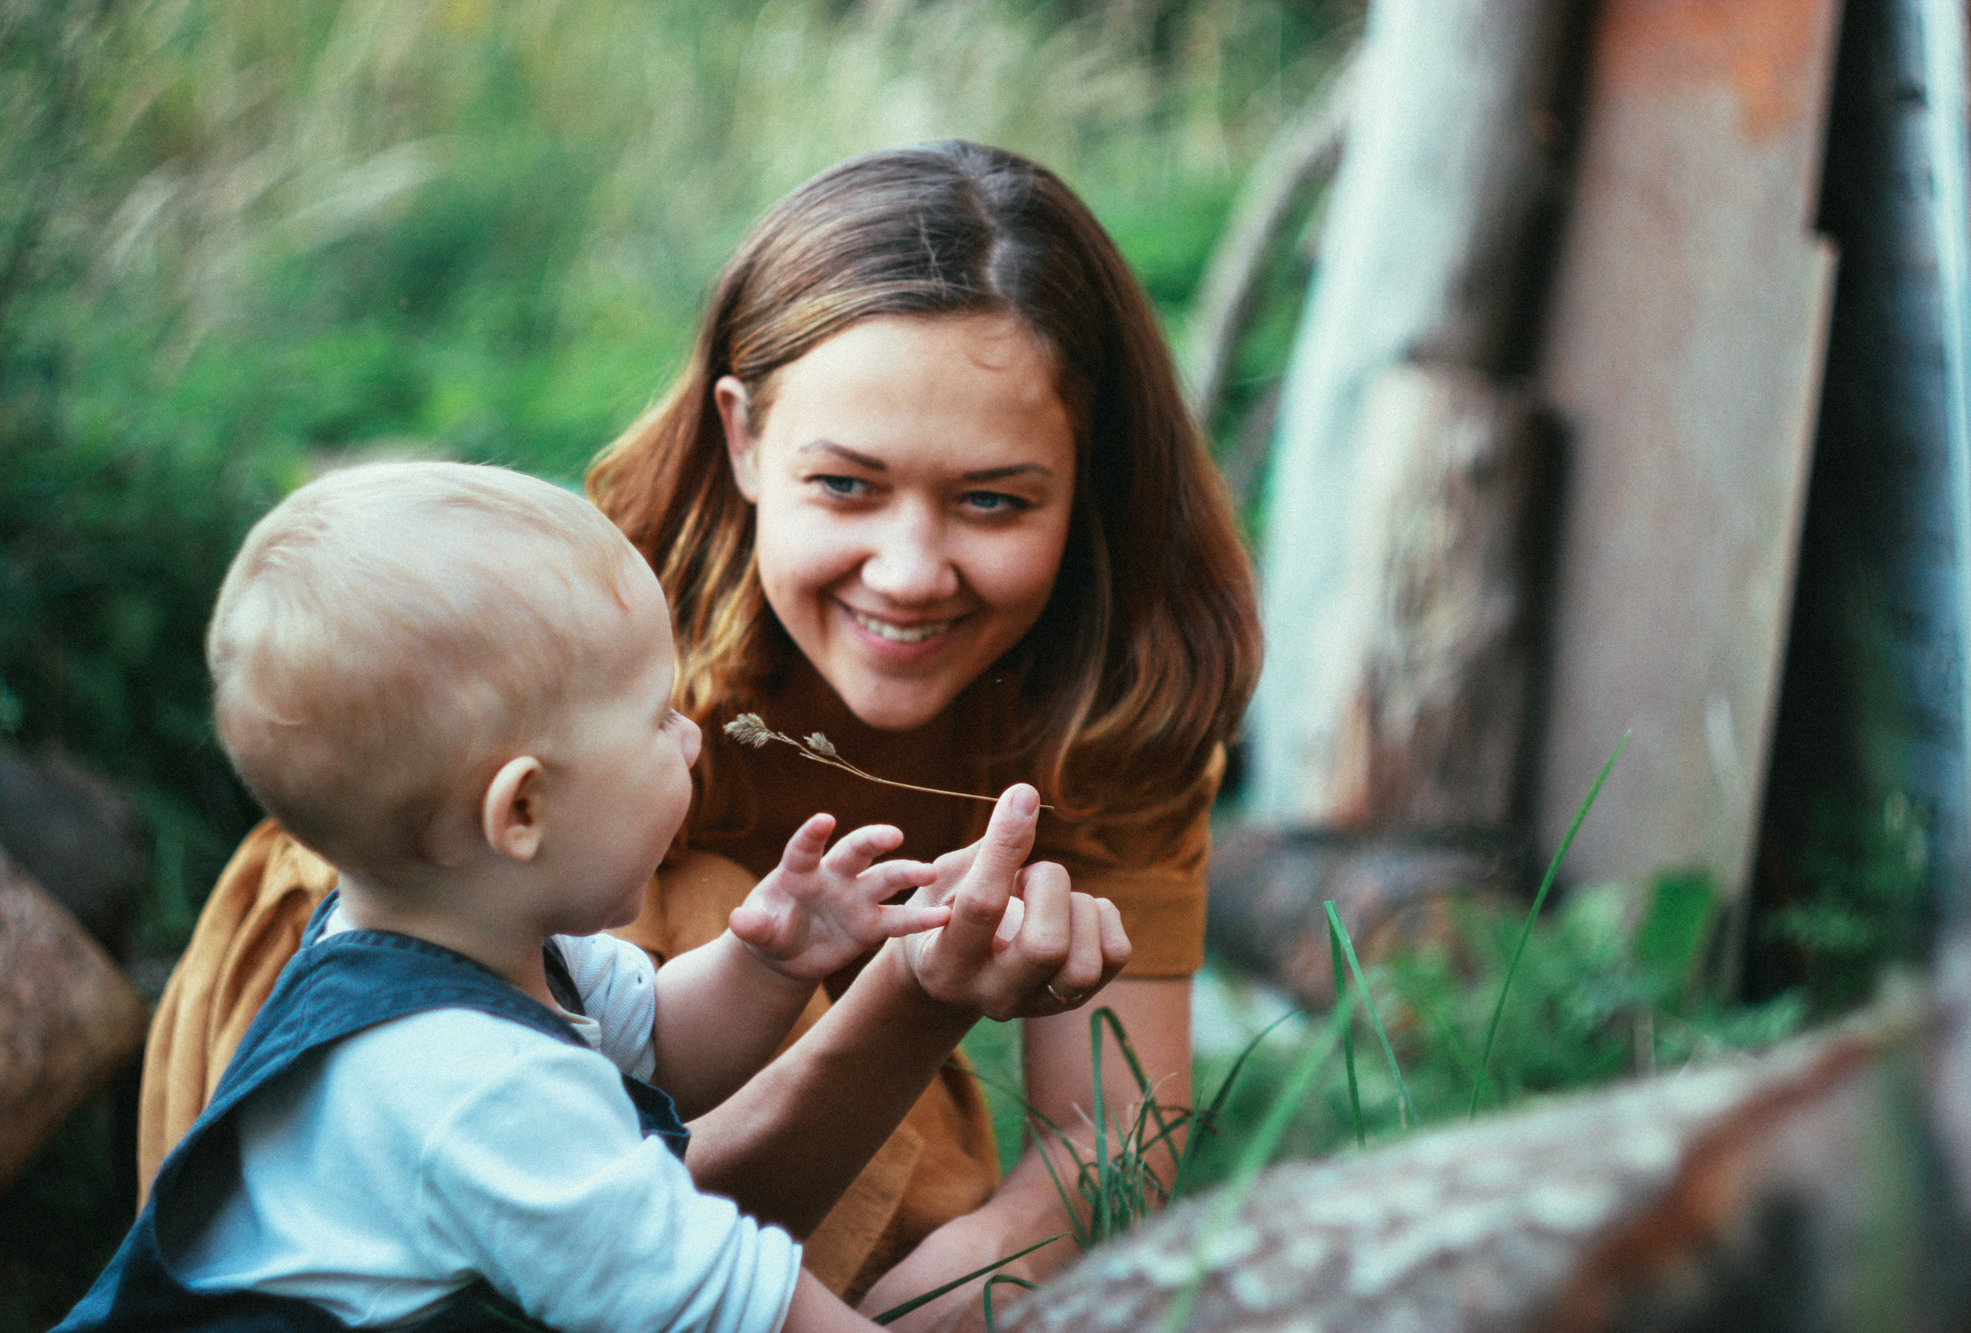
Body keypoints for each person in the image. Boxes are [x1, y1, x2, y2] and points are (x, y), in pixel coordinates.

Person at [140, 140, 1260, 1331]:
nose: (909, 570)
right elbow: (606, 1225)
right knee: (718, 898)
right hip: (448, 1027)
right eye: (845, 485)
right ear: (743, 438)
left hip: (688, 1081)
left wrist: (988, 1273)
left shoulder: (1119, 698)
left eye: (991, 498)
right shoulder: (594, 641)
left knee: (834, 1039)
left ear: (1084, 483)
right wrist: (913, 999)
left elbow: (1113, 1129)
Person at [69, 461, 1118, 1333]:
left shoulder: (450, 947)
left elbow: (656, 1038)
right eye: (655, 717)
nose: (692, 735)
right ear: (519, 811)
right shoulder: (468, 1090)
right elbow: (734, 1300)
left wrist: (767, 960)